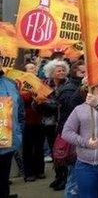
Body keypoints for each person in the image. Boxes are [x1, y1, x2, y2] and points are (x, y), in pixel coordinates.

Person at [62, 81, 98, 198]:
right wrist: (85, 143)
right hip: (85, 165)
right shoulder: (79, 109)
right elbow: (66, 132)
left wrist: (97, 104)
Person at [36, 59, 70, 191]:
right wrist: (37, 102)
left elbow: (58, 105)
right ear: (51, 72)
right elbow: (38, 105)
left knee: (62, 151)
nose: (61, 72)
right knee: (54, 151)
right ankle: (58, 176)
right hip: (48, 123)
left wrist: (45, 103)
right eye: (58, 70)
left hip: (62, 123)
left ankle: (65, 178)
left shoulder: (67, 85)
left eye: (63, 70)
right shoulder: (45, 85)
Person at [56, 60, 86, 198]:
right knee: (74, 176)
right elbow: (71, 108)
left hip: (81, 134)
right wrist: (83, 88)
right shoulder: (69, 89)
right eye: (82, 72)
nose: (86, 74)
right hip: (74, 136)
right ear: (75, 73)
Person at [0, 61, 24, 198]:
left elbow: (20, 112)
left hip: (7, 144)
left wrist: (18, 133)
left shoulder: (10, 83)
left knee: (3, 181)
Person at [21, 63, 46, 182]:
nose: (34, 69)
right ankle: (29, 172)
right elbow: (23, 98)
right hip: (27, 120)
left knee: (39, 146)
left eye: (35, 67)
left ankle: (40, 170)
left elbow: (45, 96)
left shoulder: (40, 81)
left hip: (39, 119)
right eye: (31, 68)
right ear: (25, 71)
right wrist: (34, 93)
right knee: (28, 148)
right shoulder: (21, 83)